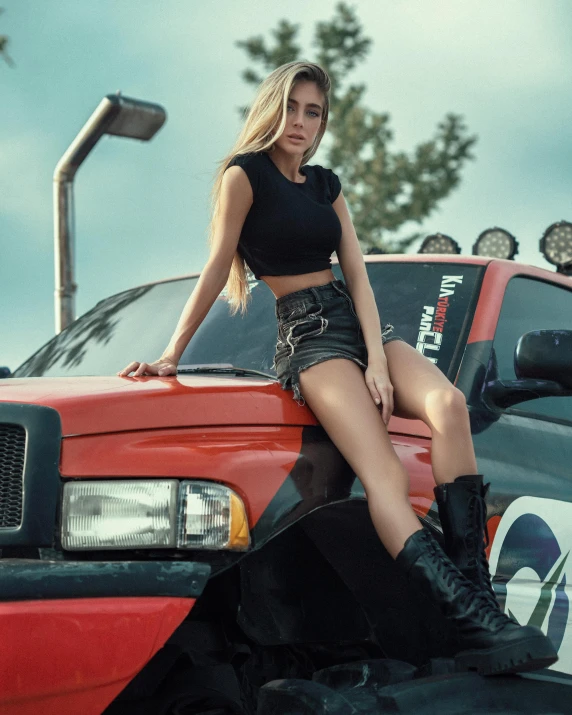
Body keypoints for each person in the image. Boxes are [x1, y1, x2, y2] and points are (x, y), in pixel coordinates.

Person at [118, 61, 558, 676]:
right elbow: (216, 267)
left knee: (450, 407)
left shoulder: (325, 184)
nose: (301, 122)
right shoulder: (243, 177)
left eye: (313, 112)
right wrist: (172, 354)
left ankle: (478, 606)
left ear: (324, 121)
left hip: (359, 325)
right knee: (383, 476)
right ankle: (468, 619)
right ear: (273, 109)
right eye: (292, 108)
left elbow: (357, 271)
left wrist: (379, 360)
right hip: (310, 339)